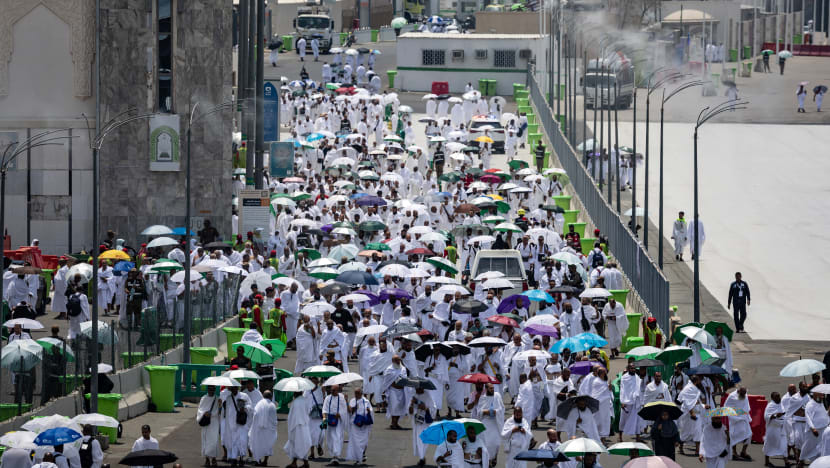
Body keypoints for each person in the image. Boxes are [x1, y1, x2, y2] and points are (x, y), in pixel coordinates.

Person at [221, 384, 251, 467]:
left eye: (235, 388)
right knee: (233, 441)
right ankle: (234, 459)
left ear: (237, 388)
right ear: (230, 389)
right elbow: (225, 412)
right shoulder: (228, 398)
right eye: (232, 388)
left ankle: (241, 458)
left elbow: (250, 406)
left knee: (242, 441)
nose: (234, 390)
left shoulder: (244, 396)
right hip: (232, 424)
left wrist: (244, 408)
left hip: (241, 423)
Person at [284, 389, 313, 468]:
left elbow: (292, 416)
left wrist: (290, 426)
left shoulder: (295, 402)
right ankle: (302, 463)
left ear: (295, 394)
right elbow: (309, 411)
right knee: (301, 445)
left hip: (297, 426)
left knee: (297, 444)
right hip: (305, 425)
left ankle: (297, 463)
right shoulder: (305, 400)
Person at [249, 390, 278, 467]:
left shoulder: (259, 404)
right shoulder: (272, 405)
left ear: (263, 396)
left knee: (258, 444)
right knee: (268, 444)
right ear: (271, 397)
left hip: (259, 429)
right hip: (269, 430)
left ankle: (258, 460)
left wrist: (256, 425)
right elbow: (274, 420)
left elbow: (255, 415)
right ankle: (265, 461)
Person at [410, 385, 437, 467]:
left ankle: (422, 457)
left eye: (418, 388)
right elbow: (410, 411)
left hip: (425, 422)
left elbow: (433, 409)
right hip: (417, 422)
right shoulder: (414, 396)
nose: (417, 389)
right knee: (419, 440)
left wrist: (425, 408)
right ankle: (422, 457)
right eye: (416, 388)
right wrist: (411, 404)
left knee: (424, 440)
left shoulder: (428, 396)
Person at [346, 387, 373, 465]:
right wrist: (347, 401)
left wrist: (369, 411)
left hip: (364, 425)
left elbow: (370, 412)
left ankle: (361, 455)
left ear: (361, 393)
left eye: (358, 393)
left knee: (363, 442)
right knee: (356, 443)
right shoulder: (352, 400)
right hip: (355, 425)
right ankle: (358, 459)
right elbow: (349, 411)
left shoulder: (366, 401)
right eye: (355, 393)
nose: (356, 394)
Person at [323, 384, 349, 464]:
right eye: (331, 390)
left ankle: (336, 456)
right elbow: (324, 409)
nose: (332, 391)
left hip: (338, 422)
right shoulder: (328, 398)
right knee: (330, 439)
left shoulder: (341, 397)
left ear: (338, 390)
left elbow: (345, 410)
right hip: (330, 420)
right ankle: (333, 455)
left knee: (337, 438)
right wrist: (324, 418)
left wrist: (340, 414)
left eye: (334, 390)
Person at [725, 387, 752, 461]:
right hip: (735, 419)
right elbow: (726, 407)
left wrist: (746, 415)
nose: (744, 395)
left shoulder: (745, 395)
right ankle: (734, 453)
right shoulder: (731, 396)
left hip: (744, 418)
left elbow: (746, 406)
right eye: (742, 394)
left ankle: (743, 451)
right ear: (738, 391)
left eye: (745, 393)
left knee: (749, 434)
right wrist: (734, 416)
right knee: (735, 436)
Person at [197, 385, 221, 467]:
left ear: (214, 390)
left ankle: (214, 459)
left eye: (213, 389)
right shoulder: (204, 398)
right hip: (206, 422)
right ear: (207, 389)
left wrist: (219, 406)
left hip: (214, 422)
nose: (211, 391)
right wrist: (204, 413)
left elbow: (219, 411)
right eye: (210, 389)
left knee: (214, 440)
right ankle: (207, 459)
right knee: (205, 440)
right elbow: (200, 409)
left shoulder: (218, 398)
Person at [764, 392, 788, 467]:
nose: (779, 398)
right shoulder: (770, 406)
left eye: (779, 396)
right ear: (773, 398)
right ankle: (767, 461)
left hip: (781, 428)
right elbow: (766, 416)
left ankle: (786, 462)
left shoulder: (781, 404)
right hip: (772, 429)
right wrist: (775, 415)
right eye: (777, 397)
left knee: (783, 444)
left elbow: (784, 412)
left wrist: (783, 415)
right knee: (769, 445)